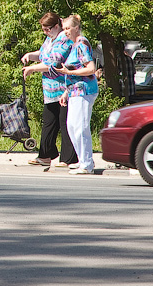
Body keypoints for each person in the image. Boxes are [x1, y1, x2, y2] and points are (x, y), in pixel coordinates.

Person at [21, 12, 77, 168]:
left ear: (56, 26)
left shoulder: (64, 40)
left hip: (63, 88)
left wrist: (32, 69)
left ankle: (69, 158)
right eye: (43, 29)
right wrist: (30, 55)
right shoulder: (50, 39)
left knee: (65, 123)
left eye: (47, 29)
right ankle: (45, 155)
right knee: (49, 122)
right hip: (50, 90)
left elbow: (54, 62)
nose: (45, 32)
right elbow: (43, 55)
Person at [57, 14, 99, 175]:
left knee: (81, 127)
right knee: (71, 126)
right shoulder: (74, 45)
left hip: (85, 90)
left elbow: (90, 68)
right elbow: (74, 72)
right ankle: (82, 160)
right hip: (74, 91)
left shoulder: (82, 43)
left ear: (76, 28)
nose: (66, 32)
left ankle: (87, 164)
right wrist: (66, 92)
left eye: (68, 28)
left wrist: (67, 71)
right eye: (64, 29)